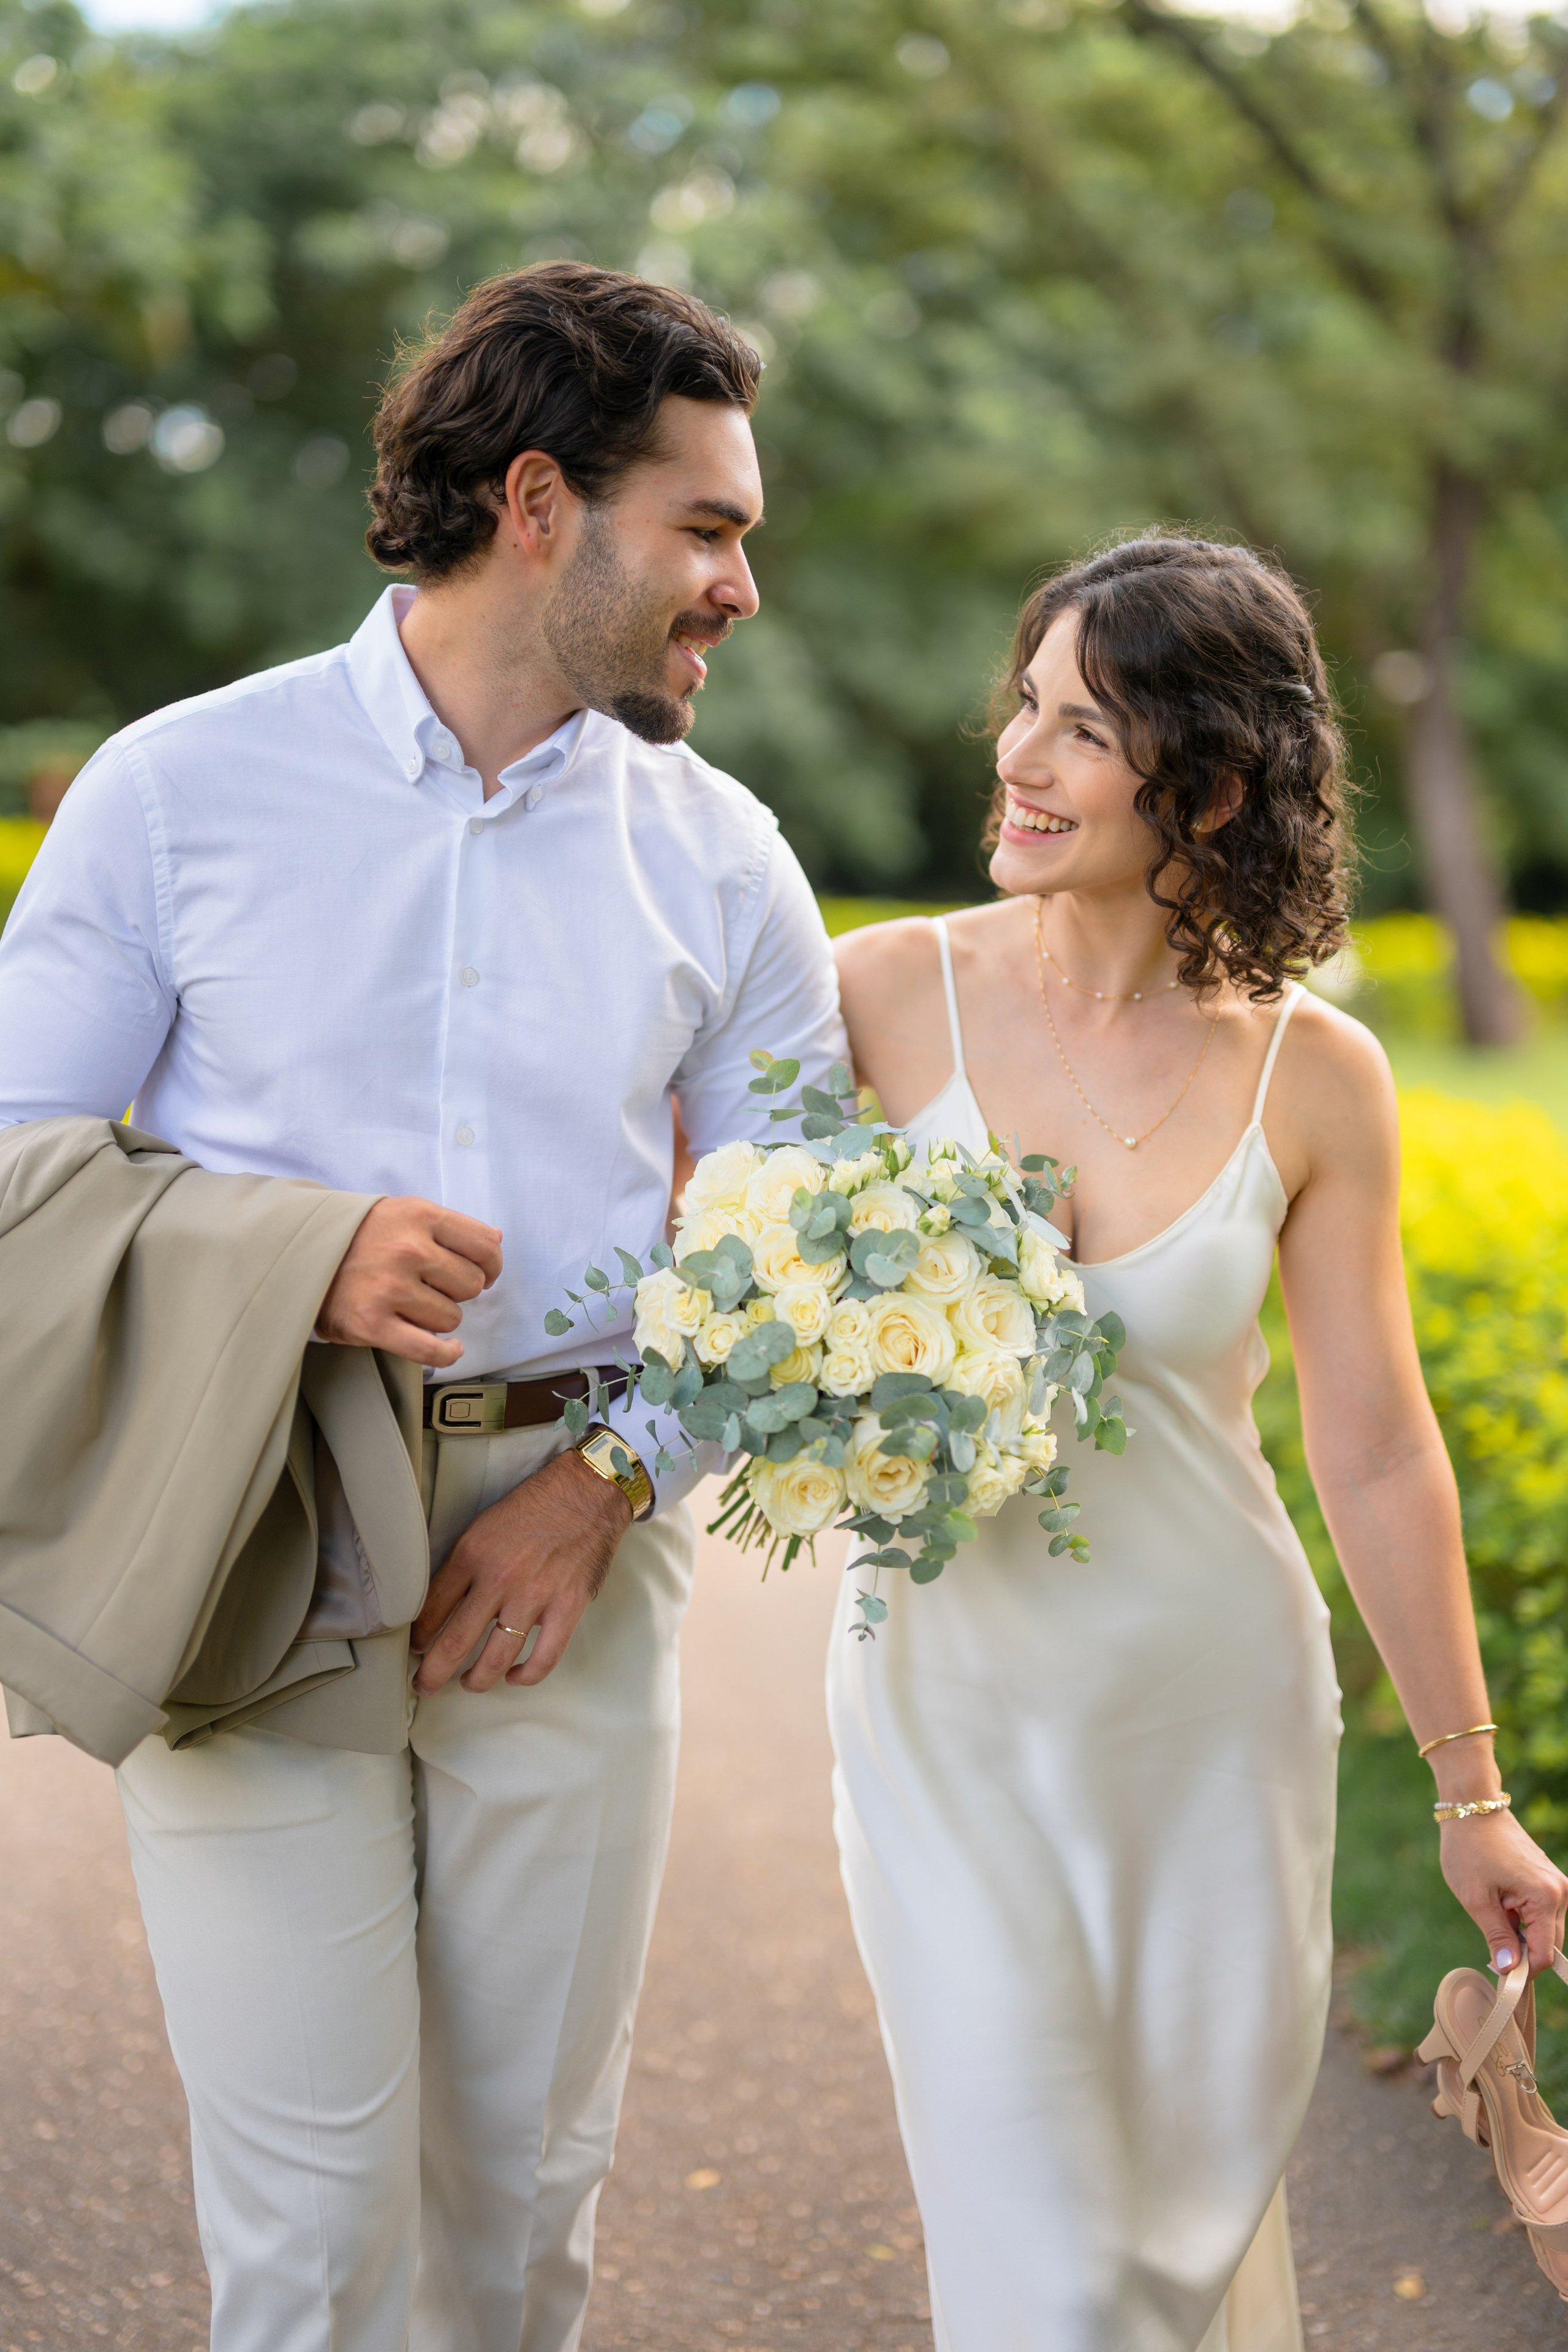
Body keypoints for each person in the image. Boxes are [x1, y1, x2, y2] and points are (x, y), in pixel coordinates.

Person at [0, 263, 844, 2352]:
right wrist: (294, 1248)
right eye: (710, 526)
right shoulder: (181, 790)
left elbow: (804, 1233)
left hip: (572, 1541)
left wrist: (602, 1498)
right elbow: (13, 1156)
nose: (742, 581)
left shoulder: (725, 855)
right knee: (305, 2226)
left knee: (524, 2201)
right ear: (539, 500)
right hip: (250, 1521)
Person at [827, 533, 1568, 2351]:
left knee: (1171, 2243)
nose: (1016, 753)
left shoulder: (1314, 1074)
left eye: (1079, 728)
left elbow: (1378, 1446)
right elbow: (706, 1277)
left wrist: (1473, 1797)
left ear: (1213, 783)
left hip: (1213, 1725)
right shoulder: (871, 998)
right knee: (1054, 2271)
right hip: (943, 1714)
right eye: (1025, 701)